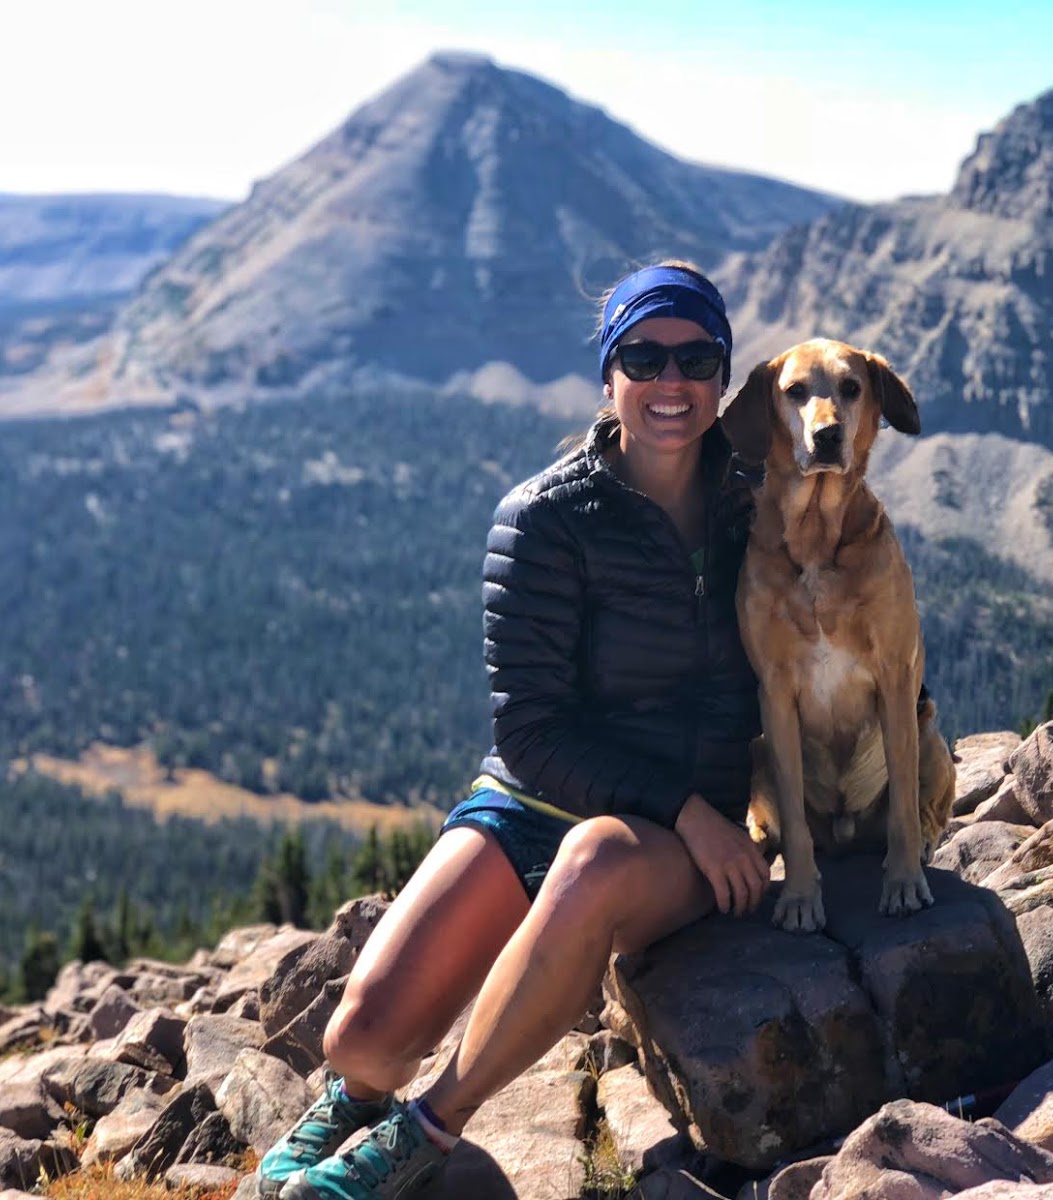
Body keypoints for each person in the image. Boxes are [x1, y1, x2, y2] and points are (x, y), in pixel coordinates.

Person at [261, 263, 770, 1200]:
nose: (672, 381)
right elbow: (532, 732)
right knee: (361, 1035)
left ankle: (426, 1129)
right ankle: (356, 1103)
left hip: (653, 845)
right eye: (644, 356)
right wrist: (685, 805)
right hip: (541, 800)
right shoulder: (543, 518)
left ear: (723, 376)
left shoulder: (761, 503)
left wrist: (715, 816)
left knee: (595, 864)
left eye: (697, 357)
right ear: (607, 375)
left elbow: (840, 624)